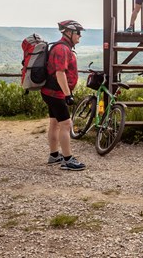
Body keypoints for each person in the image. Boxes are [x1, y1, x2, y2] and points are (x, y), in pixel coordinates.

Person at [40, 20, 86, 171]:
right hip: (56, 93)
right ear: (68, 32)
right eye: (78, 32)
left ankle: (54, 155)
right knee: (66, 124)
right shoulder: (62, 49)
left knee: (55, 123)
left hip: (50, 92)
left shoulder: (62, 47)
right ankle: (67, 160)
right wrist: (67, 95)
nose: (80, 35)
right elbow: (60, 73)